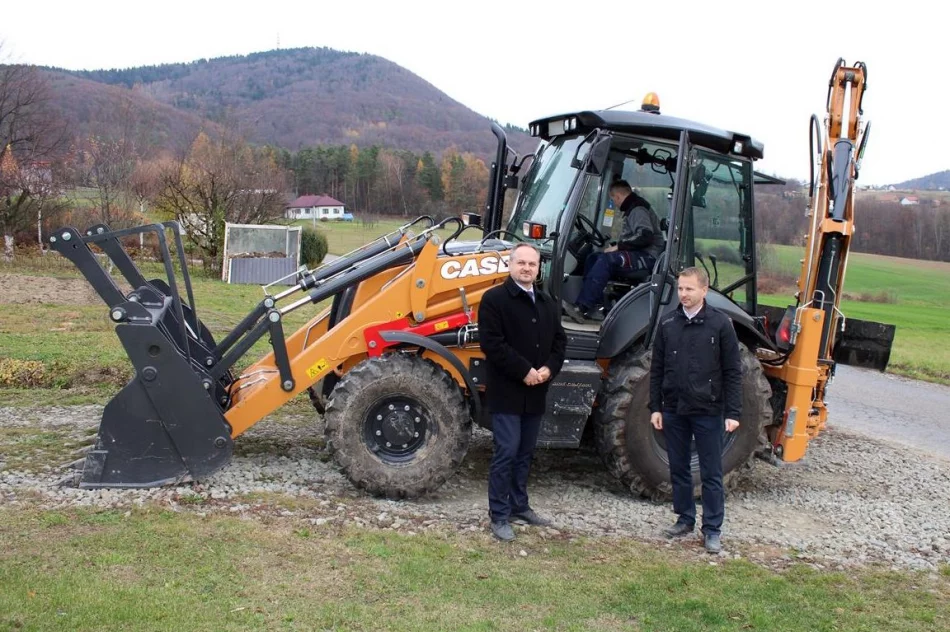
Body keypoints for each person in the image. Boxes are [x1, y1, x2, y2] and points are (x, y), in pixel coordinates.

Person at [648, 267, 742, 554]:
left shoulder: (720, 324)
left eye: (689, 289)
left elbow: (732, 371)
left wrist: (733, 413)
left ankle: (712, 529)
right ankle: (685, 518)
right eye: (680, 289)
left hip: (708, 410)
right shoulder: (667, 324)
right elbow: (657, 369)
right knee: (679, 468)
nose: (684, 294)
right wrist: (656, 407)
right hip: (674, 409)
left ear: (704, 290)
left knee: (711, 472)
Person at [478, 242, 567, 542]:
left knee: (525, 453)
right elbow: (492, 344)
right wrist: (525, 370)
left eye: (532, 264)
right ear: (510, 264)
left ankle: (519, 506)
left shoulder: (546, 303)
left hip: (536, 393)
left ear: (539, 268)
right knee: (507, 451)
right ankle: (499, 514)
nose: (527, 268)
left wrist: (548, 370)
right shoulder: (494, 300)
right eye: (522, 263)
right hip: (507, 393)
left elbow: (559, 344)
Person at [563, 179, 665, 323]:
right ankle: (595, 307)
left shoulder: (638, 209)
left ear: (617, 196)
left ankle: (582, 307)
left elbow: (645, 236)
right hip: (637, 254)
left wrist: (619, 247)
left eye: (613, 200)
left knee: (607, 260)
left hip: (647, 257)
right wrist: (616, 246)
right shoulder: (632, 209)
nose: (615, 205)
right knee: (593, 258)